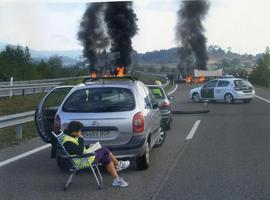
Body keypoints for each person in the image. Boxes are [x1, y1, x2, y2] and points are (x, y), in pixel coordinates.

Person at [63, 121, 130, 188]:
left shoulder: (71, 136)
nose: (80, 132)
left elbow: (77, 149)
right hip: (83, 161)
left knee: (106, 157)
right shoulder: (68, 142)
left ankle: (117, 179)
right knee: (103, 148)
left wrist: (88, 146)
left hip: (84, 157)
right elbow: (79, 152)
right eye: (80, 131)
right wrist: (81, 139)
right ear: (74, 131)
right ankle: (118, 164)